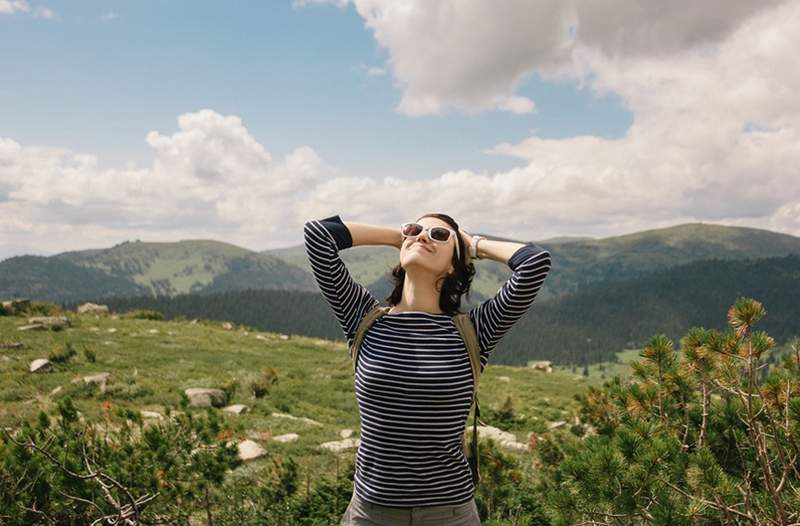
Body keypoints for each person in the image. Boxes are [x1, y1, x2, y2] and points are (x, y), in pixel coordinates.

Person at [303, 213, 552, 526]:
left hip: (450, 514)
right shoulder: (363, 318)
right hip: (372, 513)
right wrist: (401, 238)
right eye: (415, 228)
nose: (423, 236)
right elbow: (318, 234)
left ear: (453, 265)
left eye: (438, 234)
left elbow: (535, 264)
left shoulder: (474, 331)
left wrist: (471, 244)